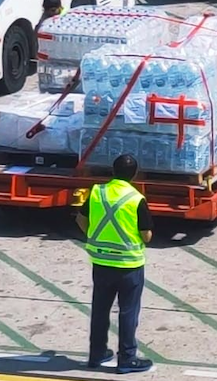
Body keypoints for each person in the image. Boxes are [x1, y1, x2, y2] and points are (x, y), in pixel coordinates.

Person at [76, 154, 153, 374]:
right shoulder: (136, 199)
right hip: (129, 265)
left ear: (112, 171)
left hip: (101, 262)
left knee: (100, 309)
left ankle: (97, 353)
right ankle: (127, 358)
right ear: (135, 174)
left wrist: (94, 236)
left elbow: (81, 219)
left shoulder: (97, 192)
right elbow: (146, 235)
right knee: (128, 312)